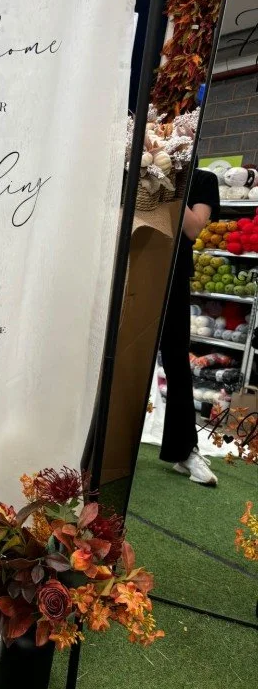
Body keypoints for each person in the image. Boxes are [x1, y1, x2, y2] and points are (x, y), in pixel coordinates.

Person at [159, 167, 220, 485]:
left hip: (173, 277)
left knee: (176, 361)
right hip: (135, 263)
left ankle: (185, 451)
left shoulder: (202, 179)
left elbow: (195, 228)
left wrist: (165, 180)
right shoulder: (134, 169)